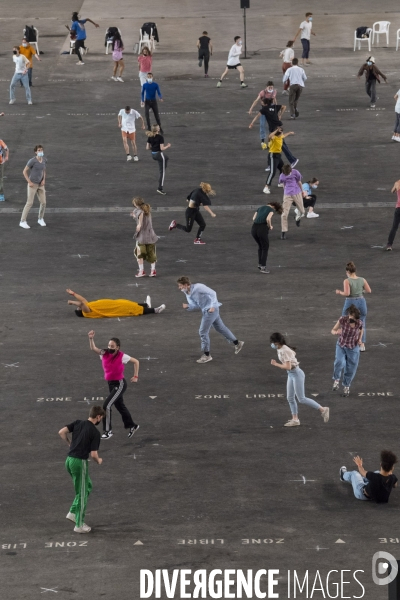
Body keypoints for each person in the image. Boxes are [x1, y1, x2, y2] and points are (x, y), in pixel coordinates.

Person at [58, 405, 105, 533]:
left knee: (87, 486)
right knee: (83, 493)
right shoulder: (95, 433)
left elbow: (61, 432)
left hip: (69, 460)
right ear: (98, 417)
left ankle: (73, 512)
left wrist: (70, 444)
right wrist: (99, 461)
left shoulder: (78, 423)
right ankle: (79, 525)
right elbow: (94, 455)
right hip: (79, 463)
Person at [177, 276, 244, 363]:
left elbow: (213, 293)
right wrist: (188, 306)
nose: (179, 288)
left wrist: (212, 306)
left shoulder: (198, 287)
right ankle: (237, 343)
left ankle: (207, 355)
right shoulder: (187, 293)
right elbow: (196, 305)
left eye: (180, 286)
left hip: (211, 311)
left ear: (186, 285)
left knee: (202, 332)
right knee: (220, 328)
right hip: (206, 311)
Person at [88, 331, 140, 440]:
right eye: (108, 345)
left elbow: (136, 361)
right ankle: (132, 425)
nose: (109, 348)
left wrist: (135, 376)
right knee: (120, 406)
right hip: (111, 384)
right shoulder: (104, 353)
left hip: (119, 384)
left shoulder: (122, 356)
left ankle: (108, 431)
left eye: (112, 346)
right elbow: (93, 348)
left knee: (106, 405)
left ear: (117, 347)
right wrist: (91, 339)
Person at [270, 332, 329, 427]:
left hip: (296, 374)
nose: (272, 344)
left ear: (276, 342)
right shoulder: (281, 348)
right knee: (290, 398)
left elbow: (288, 367)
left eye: (273, 342)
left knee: (301, 398)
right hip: (291, 374)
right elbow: (293, 353)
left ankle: (323, 409)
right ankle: (295, 419)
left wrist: (276, 364)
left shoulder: (284, 350)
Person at [249, 98, 298, 166]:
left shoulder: (264, 109)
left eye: (262, 102)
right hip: (278, 126)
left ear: (265, 103)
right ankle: (289, 160)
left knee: (280, 145)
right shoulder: (274, 106)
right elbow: (284, 107)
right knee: (281, 144)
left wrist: (252, 123)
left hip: (274, 128)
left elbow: (257, 116)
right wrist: (280, 115)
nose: (261, 102)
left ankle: (292, 160)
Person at [336, 261, 371, 352]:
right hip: (362, 301)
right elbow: (369, 290)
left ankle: (346, 342)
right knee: (361, 322)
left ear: (348, 272)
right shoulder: (362, 279)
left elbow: (347, 293)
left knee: (345, 320)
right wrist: (361, 291)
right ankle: (361, 344)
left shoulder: (347, 281)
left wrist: (339, 292)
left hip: (350, 302)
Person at [331, 304, 363, 397]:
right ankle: (336, 380)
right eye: (351, 317)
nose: (351, 320)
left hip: (353, 347)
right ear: (348, 315)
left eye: (354, 318)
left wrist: (360, 339)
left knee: (351, 367)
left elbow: (361, 330)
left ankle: (346, 386)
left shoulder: (359, 323)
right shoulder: (342, 320)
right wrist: (336, 332)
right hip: (341, 345)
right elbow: (333, 329)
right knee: (339, 362)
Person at [66, 289, 166, 317]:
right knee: (132, 309)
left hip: (114, 304)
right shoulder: (86, 312)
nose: (79, 306)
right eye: (78, 308)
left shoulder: (87, 305)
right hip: (114, 309)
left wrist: (73, 293)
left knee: (129, 304)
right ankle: (155, 310)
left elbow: (82, 300)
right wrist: (72, 302)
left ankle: (146, 305)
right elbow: (81, 304)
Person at [19, 145, 46, 229]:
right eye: (39, 150)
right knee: (29, 203)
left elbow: (44, 170)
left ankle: (40, 218)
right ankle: (22, 221)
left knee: (43, 202)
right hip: (32, 184)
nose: (40, 151)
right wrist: (29, 182)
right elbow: (24, 171)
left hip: (40, 185)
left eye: (41, 150)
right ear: (35, 152)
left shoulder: (44, 160)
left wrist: (43, 180)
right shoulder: (32, 161)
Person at [251, 202, 283, 273]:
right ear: (274, 207)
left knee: (260, 246)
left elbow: (253, 218)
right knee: (265, 247)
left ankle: (260, 264)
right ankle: (263, 267)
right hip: (262, 229)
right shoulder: (271, 210)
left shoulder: (259, 208)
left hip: (254, 228)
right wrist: (270, 226)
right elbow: (268, 219)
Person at [131, 197, 159, 277]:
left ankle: (141, 271)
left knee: (139, 254)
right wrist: (134, 216)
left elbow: (140, 215)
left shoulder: (139, 211)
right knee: (151, 253)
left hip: (142, 237)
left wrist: (139, 224)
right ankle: (153, 270)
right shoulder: (147, 210)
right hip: (151, 236)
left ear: (136, 204)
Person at [263, 128, 295, 195]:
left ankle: (280, 183)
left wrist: (289, 132)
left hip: (278, 156)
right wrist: (276, 130)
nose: (282, 134)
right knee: (272, 172)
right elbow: (270, 136)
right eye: (281, 133)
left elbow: (284, 135)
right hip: (273, 156)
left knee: (282, 169)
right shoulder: (274, 138)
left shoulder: (280, 137)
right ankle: (266, 187)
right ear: (279, 134)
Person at [278, 163, 305, 239]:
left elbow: (299, 182)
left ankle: (297, 218)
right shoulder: (282, 176)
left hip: (297, 193)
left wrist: (302, 191)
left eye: (288, 173)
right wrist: (285, 191)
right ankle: (283, 231)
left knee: (302, 211)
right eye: (285, 173)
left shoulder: (296, 172)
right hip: (287, 195)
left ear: (291, 170)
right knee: (284, 214)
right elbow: (283, 183)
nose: (287, 174)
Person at [145, 125, 171, 195]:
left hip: (153, 155)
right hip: (159, 154)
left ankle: (164, 163)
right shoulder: (160, 137)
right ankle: (160, 188)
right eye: (159, 127)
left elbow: (147, 148)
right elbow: (162, 148)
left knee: (166, 158)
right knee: (162, 172)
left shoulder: (150, 136)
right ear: (157, 130)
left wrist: (153, 148)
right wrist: (168, 146)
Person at [386, 179, 400, 250]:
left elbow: (392, 191)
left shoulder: (397, 183)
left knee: (394, 227)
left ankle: (389, 245)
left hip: (398, 208)